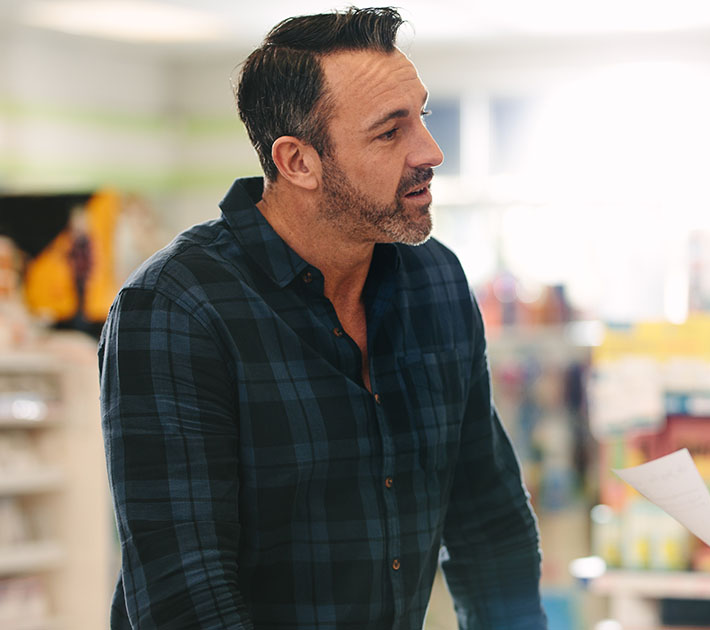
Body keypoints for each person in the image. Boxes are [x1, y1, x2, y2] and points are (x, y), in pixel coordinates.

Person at [99, 8, 546, 629]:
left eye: (423, 116)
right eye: (391, 133)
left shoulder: (436, 282)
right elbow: (185, 592)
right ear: (298, 162)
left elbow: (488, 519)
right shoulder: (177, 308)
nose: (432, 152)